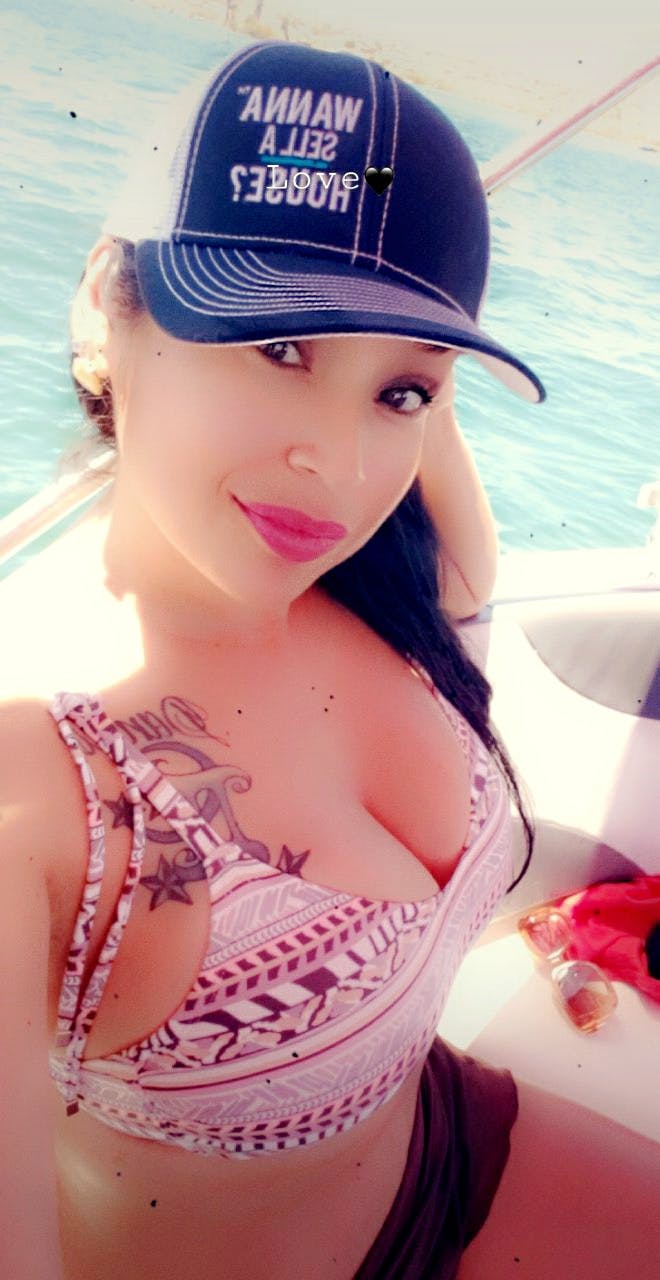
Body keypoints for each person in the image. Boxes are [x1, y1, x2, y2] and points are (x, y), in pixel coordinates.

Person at [3, 37, 657, 1280]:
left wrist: (401, 334)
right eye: (280, 346)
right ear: (105, 305)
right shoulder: (40, 776)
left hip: (447, 1142)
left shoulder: (381, 583)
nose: (342, 470)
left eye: (401, 393)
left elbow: (458, 542)